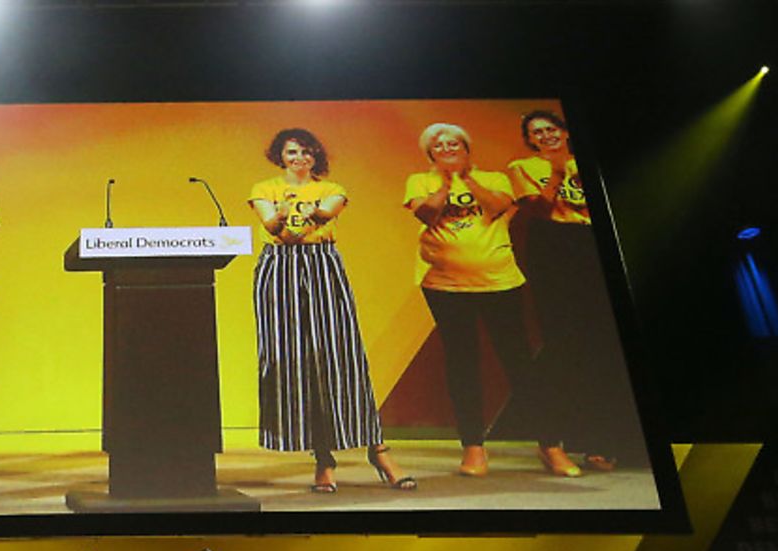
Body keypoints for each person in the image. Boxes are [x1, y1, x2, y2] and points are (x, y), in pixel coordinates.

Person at [404, 123, 580, 479]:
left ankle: (550, 446)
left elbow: (497, 207)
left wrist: (466, 179)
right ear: (430, 155)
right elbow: (426, 213)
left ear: (468, 149)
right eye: (440, 146)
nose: (449, 148)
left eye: (456, 143)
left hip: (500, 282)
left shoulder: (496, 178)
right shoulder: (418, 182)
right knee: (462, 364)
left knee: (519, 363)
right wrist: (444, 181)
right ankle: (473, 449)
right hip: (445, 286)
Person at [248, 129, 411, 494]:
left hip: (323, 266)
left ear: (315, 156)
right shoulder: (262, 187)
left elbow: (316, 218)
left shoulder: (333, 188)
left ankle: (379, 449)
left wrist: (289, 220)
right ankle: (323, 459)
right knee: (292, 362)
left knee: (341, 357)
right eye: (292, 151)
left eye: (306, 151)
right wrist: (286, 223)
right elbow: (271, 226)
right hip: (278, 270)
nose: (299, 158)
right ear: (280, 155)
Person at [503, 109, 637, 470]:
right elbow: (540, 209)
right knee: (567, 342)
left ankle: (618, 440)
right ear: (529, 140)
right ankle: (573, 440)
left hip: (591, 242)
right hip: (555, 246)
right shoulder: (523, 167)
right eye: (537, 132)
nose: (546, 136)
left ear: (564, 131)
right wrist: (557, 173)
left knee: (607, 342)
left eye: (551, 129)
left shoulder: (586, 162)